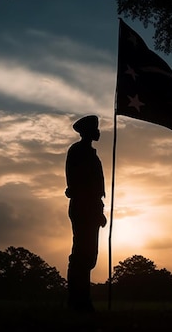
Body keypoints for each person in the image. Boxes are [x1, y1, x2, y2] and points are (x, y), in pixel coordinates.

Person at [64, 114, 107, 312]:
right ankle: (77, 301)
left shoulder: (91, 153)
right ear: (88, 131)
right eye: (95, 129)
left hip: (91, 208)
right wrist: (93, 208)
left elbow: (96, 189)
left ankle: (82, 299)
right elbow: (79, 183)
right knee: (82, 254)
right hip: (83, 207)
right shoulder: (79, 151)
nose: (98, 132)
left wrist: (100, 211)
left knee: (89, 255)